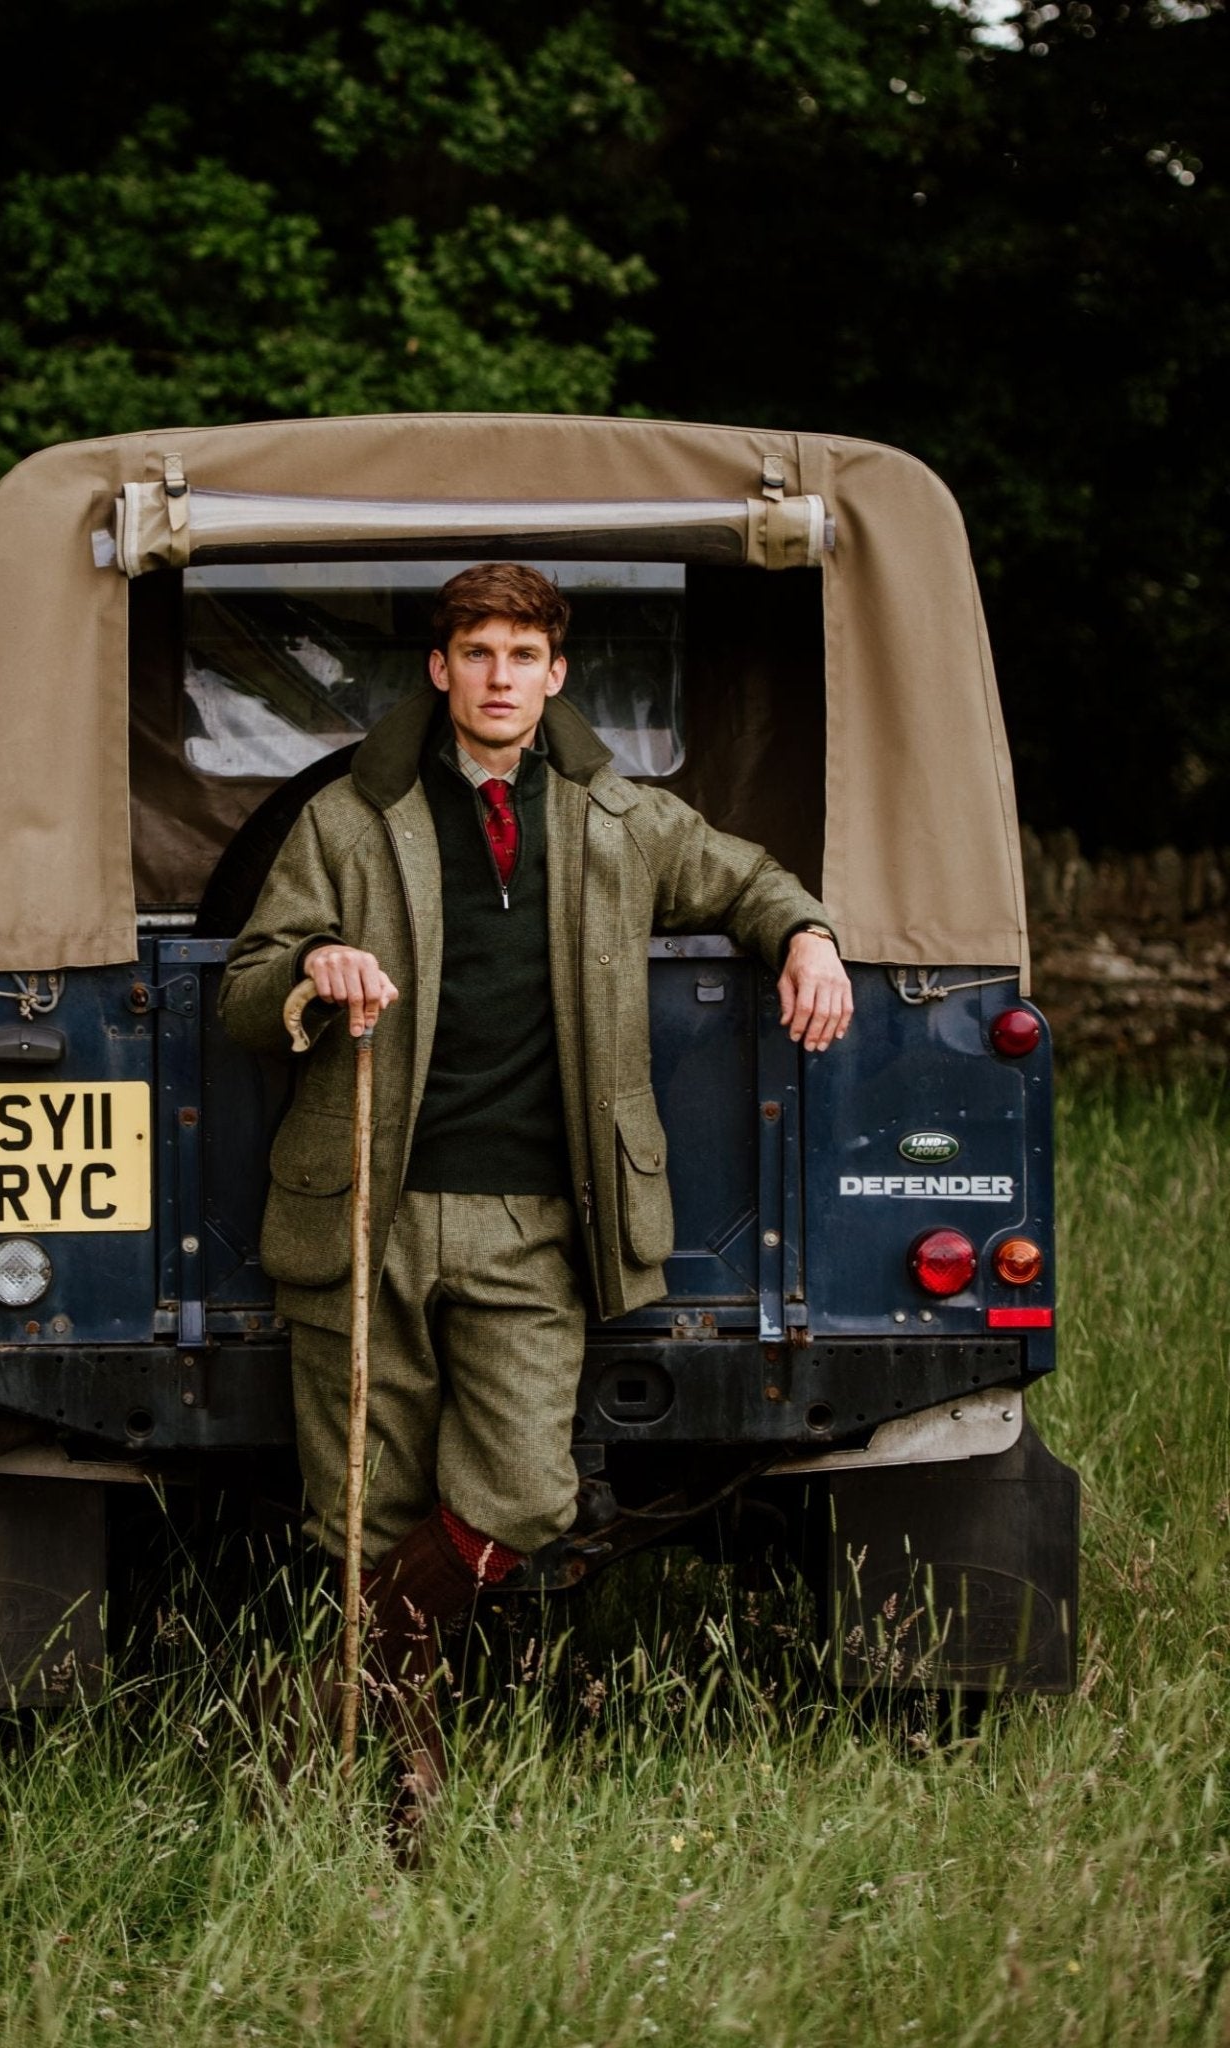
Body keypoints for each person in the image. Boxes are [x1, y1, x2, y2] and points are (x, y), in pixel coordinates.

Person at [220, 562, 851, 1807]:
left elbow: (750, 879)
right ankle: (401, 1769)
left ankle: (329, 1693)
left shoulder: (619, 821)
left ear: (557, 674)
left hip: (536, 1219)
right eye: (477, 653)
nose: (500, 677)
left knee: (523, 1493)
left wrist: (809, 938)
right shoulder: (348, 820)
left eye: (523, 655)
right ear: (439, 670)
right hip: (362, 1208)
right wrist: (315, 963)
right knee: (359, 1508)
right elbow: (248, 986)